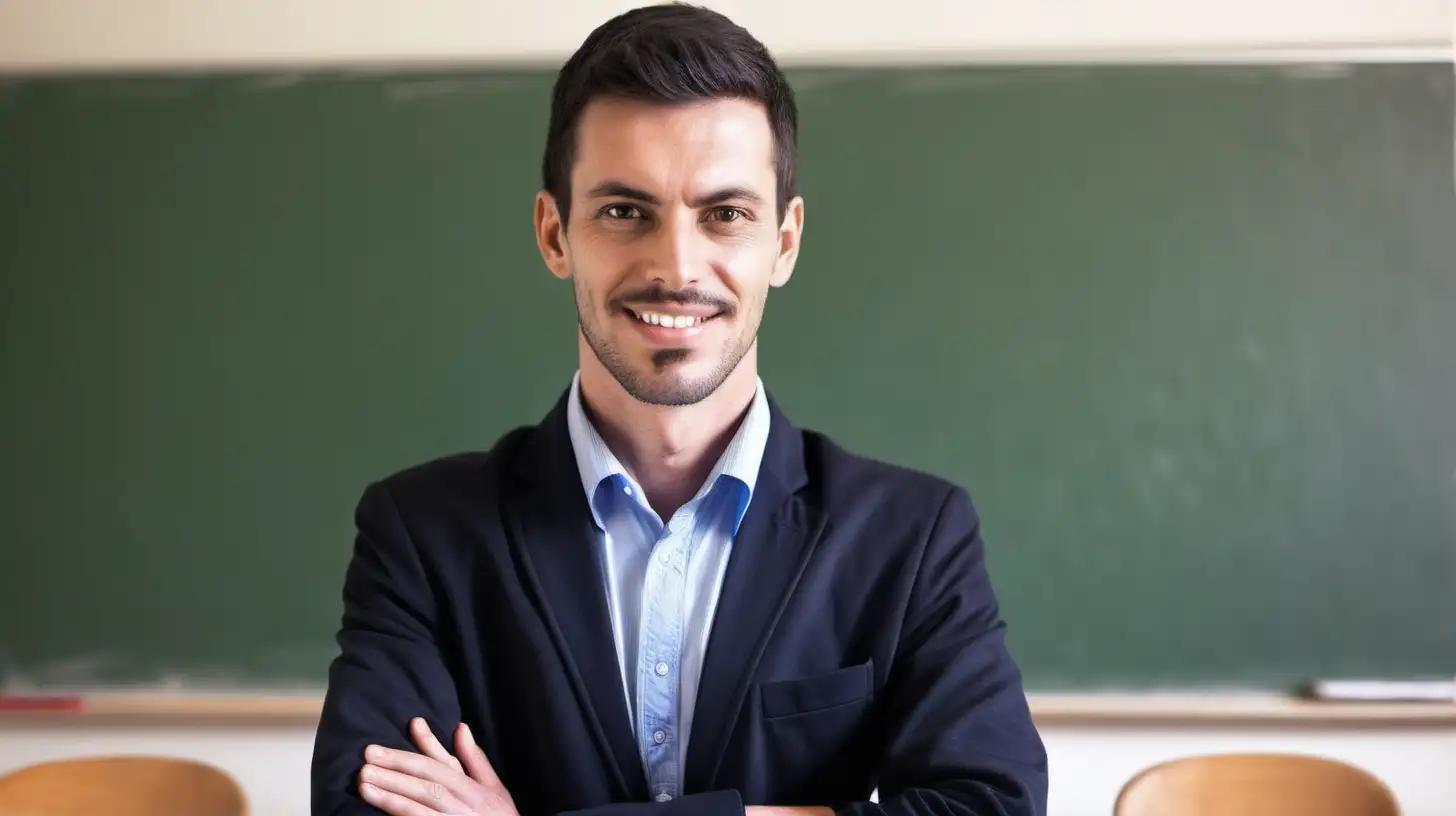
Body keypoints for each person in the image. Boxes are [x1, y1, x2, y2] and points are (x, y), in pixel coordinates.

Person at [309, 4, 1048, 815]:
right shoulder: (422, 535)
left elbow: (992, 806)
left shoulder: (913, 538)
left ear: (785, 242)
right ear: (555, 234)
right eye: (625, 212)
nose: (677, 264)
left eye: (724, 214)